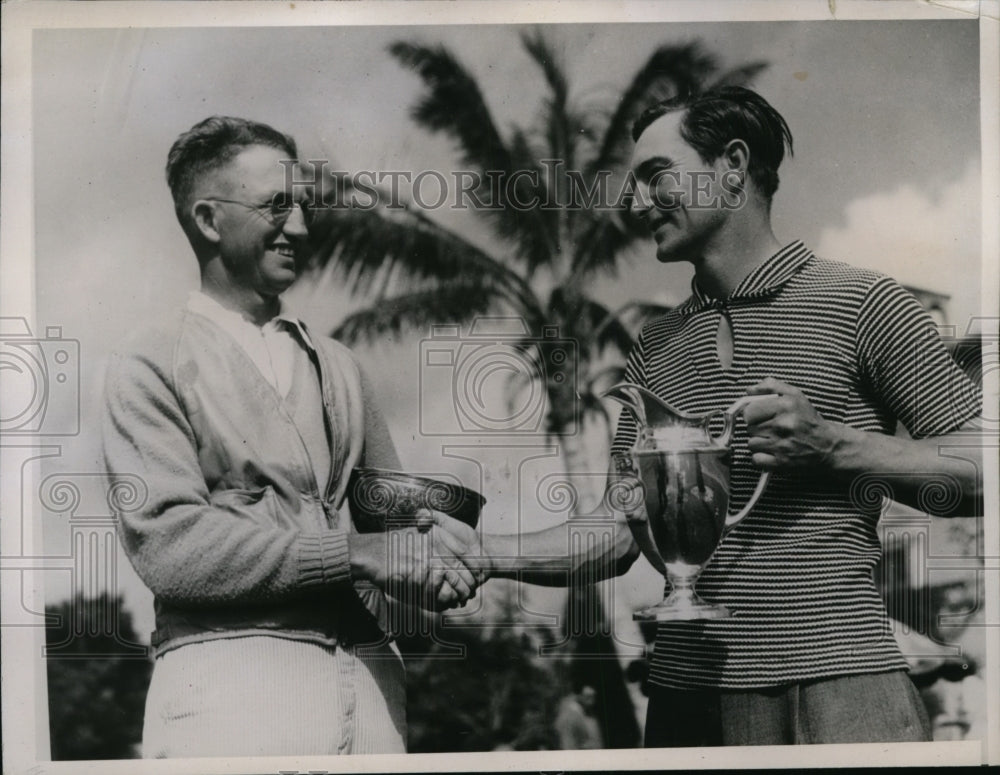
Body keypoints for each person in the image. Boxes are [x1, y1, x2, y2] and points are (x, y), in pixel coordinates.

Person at [470, 86, 983, 746]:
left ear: (732, 165)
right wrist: (485, 552)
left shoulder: (863, 301)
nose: (634, 202)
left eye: (657, 175)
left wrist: (833, 447)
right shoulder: (654, 348)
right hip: (686, 699)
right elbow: (618, 529)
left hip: (842, 687)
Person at [101, 116, 481, 758]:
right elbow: (170, 547)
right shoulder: (148, 360)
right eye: (278, 205)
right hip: (229, 679)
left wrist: (435, 563)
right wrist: (354, 555)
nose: (302, 227)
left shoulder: (340, 365)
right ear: (208, 219)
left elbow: (386, 532)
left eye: (304, 205)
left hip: (373, 683)